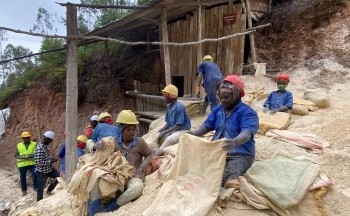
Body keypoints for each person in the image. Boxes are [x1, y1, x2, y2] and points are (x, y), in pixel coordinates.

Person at [190, 75, 259, 187]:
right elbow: (207, 126)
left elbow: (246, 133)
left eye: (226, 97)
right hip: (217, 151)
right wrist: (193, 133)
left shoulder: (248, 113)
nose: (222, 101)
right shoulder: (218, 110)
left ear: (237, 94)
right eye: (220, 97)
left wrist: (234, 142)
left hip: (240, 155)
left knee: (227, 181)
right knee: (202, 174)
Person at [88, 110, 152, 215]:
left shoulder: (139, 142)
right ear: (121, 129)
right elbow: (96, 148)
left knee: (137, 188)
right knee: (94, 178)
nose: (132, 132)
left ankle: (111, 206)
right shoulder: (113, 142)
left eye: (134, 129)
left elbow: (149, 155)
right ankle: (94, 210)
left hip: (132, 177)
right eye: (128, 129)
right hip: (115, 176)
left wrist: (141, 168)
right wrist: (96, 146)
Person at [154, 84, 191, 156]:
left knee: (169, 139)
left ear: (170, 96)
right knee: (160, 136)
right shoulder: (168, 107)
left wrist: (165, 132)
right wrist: (159, 131)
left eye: (165, 95)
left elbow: (178, 125)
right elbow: (168, 123)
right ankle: (160, 151)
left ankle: (155, 156)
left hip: (183, 130)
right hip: (175, 130)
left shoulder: (179, 107)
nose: (164, 96)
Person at [34, 131, 60, 201]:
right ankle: (39, 201)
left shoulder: (44, 146)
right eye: (50, 141)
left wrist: (50, 159)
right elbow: (38, 162)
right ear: (46, 139)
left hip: (49, 169)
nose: (50, 142)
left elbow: (44, 158)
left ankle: (49, 191)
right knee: (41, 187)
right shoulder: (40, 148)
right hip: (42, 172)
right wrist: (50, 161)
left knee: (58, 178)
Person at [15, 131, 38, 196]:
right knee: (22, 177)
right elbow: (16, 155)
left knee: (35, 174)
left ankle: (36, 187)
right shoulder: (19, 145)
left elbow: (37, 153)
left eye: (28, 137)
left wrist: (30, 156)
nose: (27, 139)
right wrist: (22, 157)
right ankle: (24, 190)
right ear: (22, 138)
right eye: (25, 138)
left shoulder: (34, 144)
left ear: (29, 137)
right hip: (22, 165)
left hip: (32, 163)